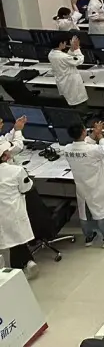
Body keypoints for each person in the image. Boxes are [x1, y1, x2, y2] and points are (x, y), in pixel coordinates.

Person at [64, 120, 104, 248]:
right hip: (96, 185)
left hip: (81, 185)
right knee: (101, 212)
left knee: (84, 212)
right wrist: (100, 136)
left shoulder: (67, 149)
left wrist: (94, 133)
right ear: (83, 132)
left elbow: (84, 144)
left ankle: (89, 236)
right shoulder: (93, 150)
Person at [0, 119, 35, 277]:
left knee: (12, 239)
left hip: (3, 210)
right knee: (16, 238)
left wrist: (15, 130)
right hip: (14, 207)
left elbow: (7, 140)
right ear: (5, 156)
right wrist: (19, 130)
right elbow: (26, 187)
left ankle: (26, 262)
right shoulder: (15, 171)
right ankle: (22, 267)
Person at [49, 32, 87, 108]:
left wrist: (72, 48)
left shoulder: (51, 54)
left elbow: (68, 58)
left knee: (70, 103)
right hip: (72, 84)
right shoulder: (63, 57)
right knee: (80, 105)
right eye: (65, 42)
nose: (66, 44)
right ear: (61, 43)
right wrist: (77, 48)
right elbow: (78, 60)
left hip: (63, 83)